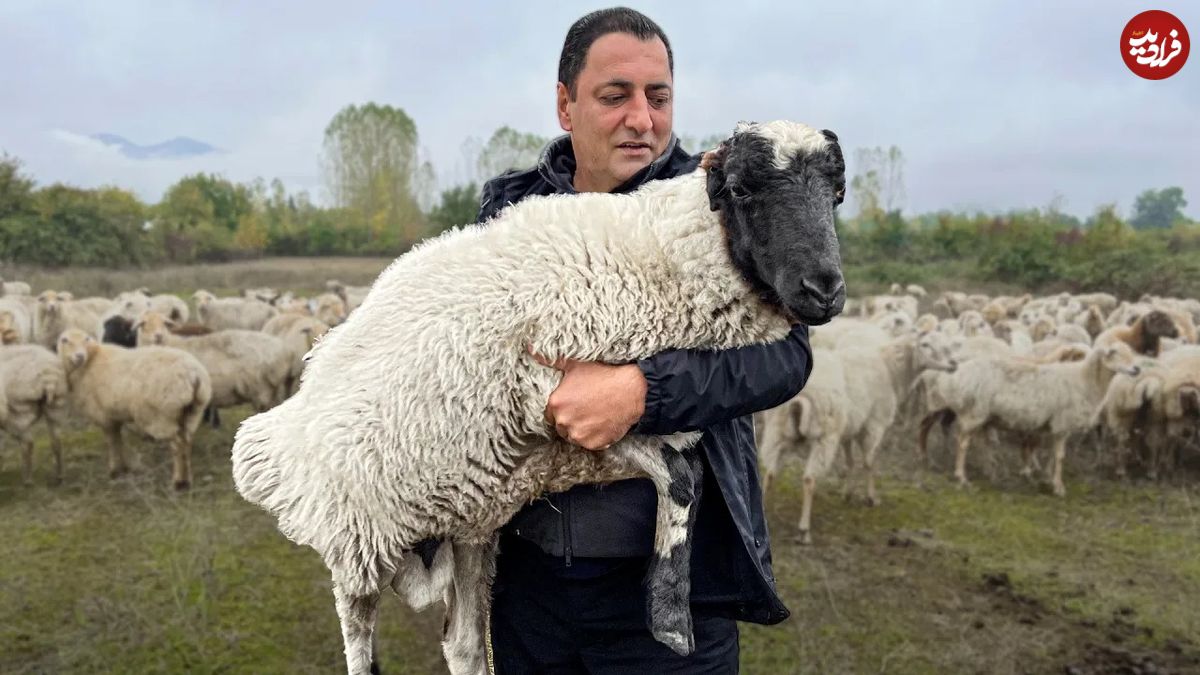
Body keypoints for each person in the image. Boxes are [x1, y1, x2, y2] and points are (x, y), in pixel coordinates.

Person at [476, 7, 814, 673]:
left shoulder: (723, 205)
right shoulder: (505, 213)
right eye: (615, 96)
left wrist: (642, 392)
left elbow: (788, 352)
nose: (642, 119)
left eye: (658, 97)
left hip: (671, 596)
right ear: (565, 105)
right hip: (528, 591)